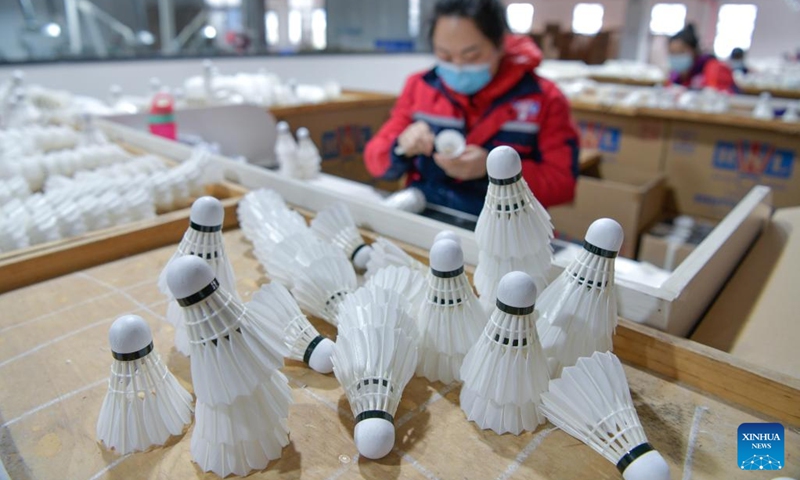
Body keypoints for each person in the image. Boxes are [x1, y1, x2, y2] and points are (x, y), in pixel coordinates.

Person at [364, 0, 579, 216]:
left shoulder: (543, 98)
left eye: (471, 55)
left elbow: (562, 184)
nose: (457, 66)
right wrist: (400, 147)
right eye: (444, 55)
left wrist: (492, 169)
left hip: (505, 226)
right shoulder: (420, 87)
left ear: (500, 45)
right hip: (428, 212)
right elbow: (376, 161)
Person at [667, 24, 736, 93]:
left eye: (681, 52)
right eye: (672, 53)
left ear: (694, 51)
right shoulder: (676, 76)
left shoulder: (713, 67)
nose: (676, 57)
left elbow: (719, 95)